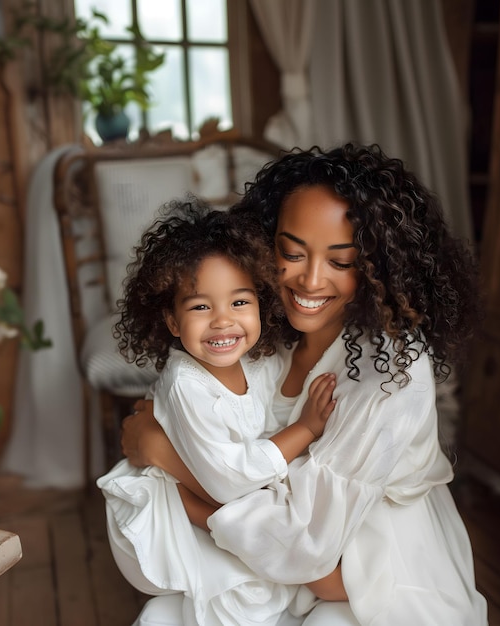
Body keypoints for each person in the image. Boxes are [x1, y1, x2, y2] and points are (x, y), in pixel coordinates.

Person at [120, 144, 489, 625]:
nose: (310, 281)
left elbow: (304, 544)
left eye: (341, 262)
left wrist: (165, 459)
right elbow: (205, 416)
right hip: (268, 549)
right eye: (291, 252)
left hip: (371, 566)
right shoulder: (263, 324)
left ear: (379, 267)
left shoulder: (393, 370)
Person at [96, 201, 339, 626]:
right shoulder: (186, 384)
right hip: (164, 514)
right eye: (200, 307)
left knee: (274, 579)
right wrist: (306, 429)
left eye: (240, 302)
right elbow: (228, 480)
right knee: (243, 599)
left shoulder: (259, 360)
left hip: (212, 489)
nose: (224, 322)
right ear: (172, 320)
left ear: (261, 304)